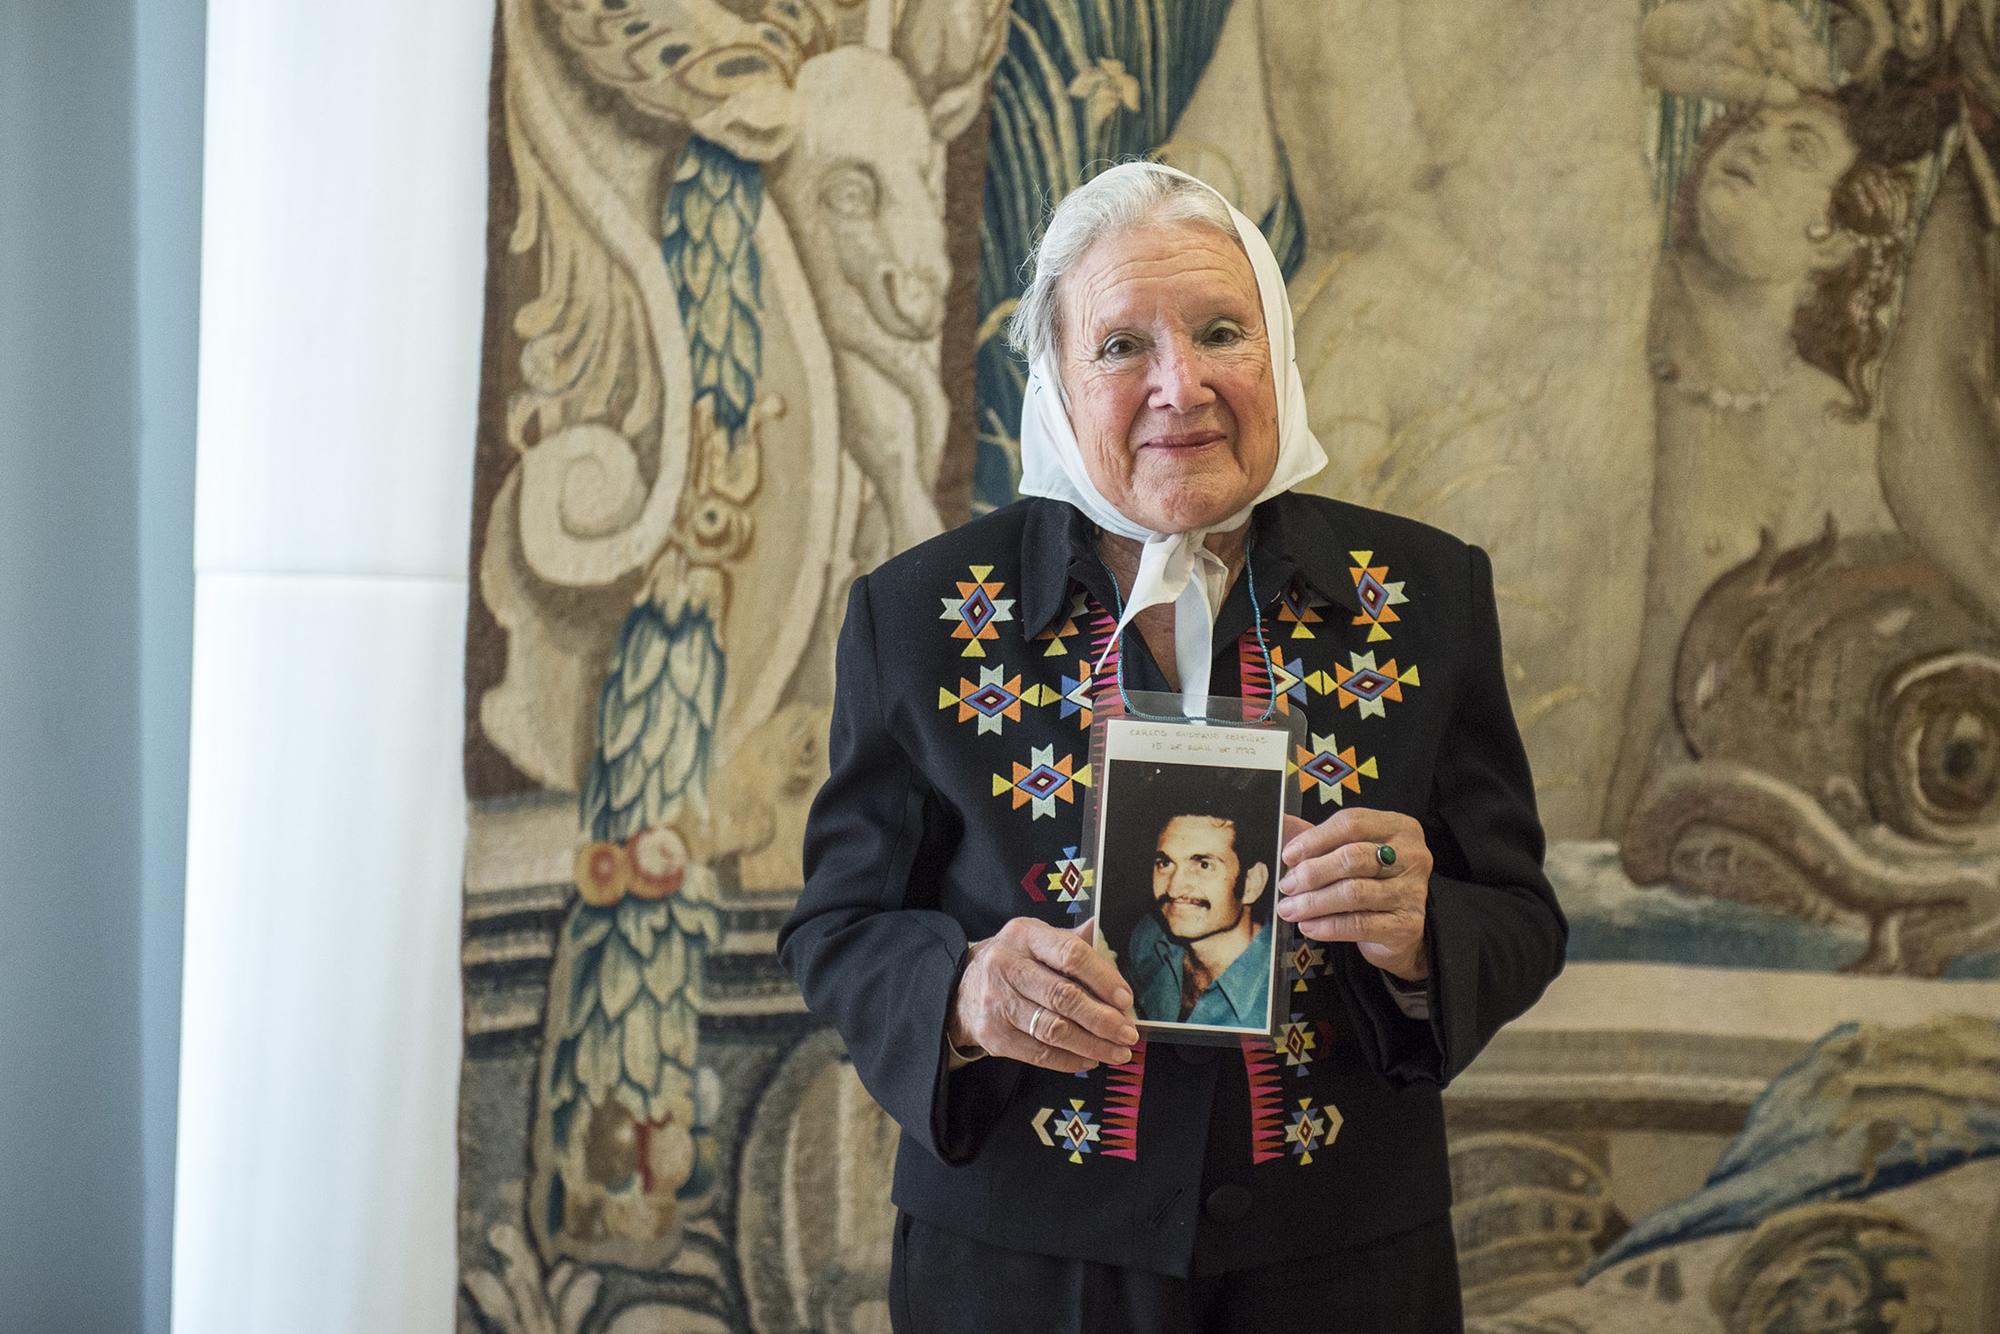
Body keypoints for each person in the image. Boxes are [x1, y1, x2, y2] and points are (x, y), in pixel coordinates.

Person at [778, 160, 1566, 1332]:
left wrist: (1420, 931)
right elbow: (835, 929)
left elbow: (1517, 912)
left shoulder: (1423, 593)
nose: (1178, 386)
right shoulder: (918, 615)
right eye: (1119, 348)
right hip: (1024, 1264)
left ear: (1276, 351)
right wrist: (961, 991)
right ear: (1053, 379)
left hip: (1342, 1262)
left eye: (1217, 332)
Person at [1122, 775, 1276, 1028]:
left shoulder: (1278, 988)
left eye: (1204, 865)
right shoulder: (1148, 939)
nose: (1174, 888)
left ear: (1251, 883)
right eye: (1165, 863)